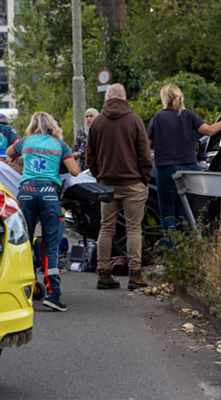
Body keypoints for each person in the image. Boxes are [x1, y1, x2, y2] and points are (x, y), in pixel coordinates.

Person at [147, 84, 221, 248]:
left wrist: (163, 146)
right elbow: (210, 131)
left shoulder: (158, 118)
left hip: (166, 168)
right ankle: (187, 251)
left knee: (167, 212)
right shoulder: (189, 116)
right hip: (188, 168)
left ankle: (170, 254)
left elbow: (148, 143)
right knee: (184, 210)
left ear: (164, 98)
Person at [6, 112, 80, 311]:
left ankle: (24, 291)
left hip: (26, 193)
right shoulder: (59, 145)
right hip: (49, 193)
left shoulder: (25, 141)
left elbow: (9, 152)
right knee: (51, 245)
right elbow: (75, 171)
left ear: (32, 125)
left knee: (23, 243)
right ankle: (52, 293)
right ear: (52, 125)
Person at [86, 84, 153, 291]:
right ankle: (135, 274)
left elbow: (90, 157)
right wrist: (144, 178)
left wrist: (100, 176)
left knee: (106, 228)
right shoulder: (135, 120)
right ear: (123, 98)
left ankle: (103, 273)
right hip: (133, 183)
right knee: (134, 228)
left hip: (107, 185)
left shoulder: (97, 123)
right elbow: (144, 153)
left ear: (108, 98)